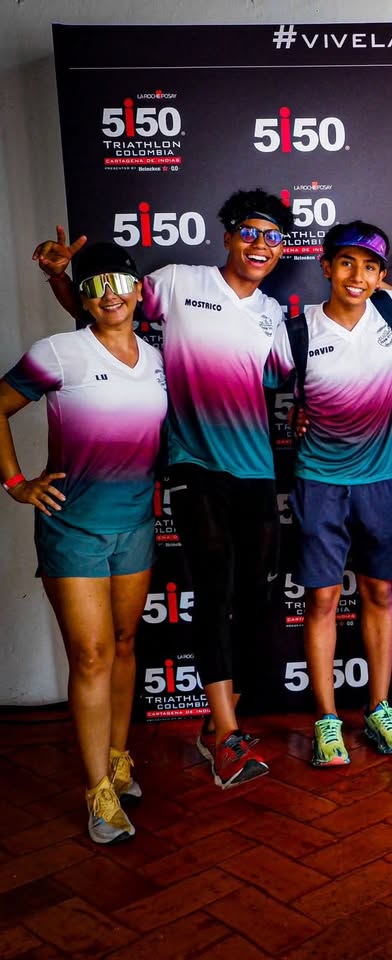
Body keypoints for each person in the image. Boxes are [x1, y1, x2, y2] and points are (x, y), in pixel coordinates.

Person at [34, 188, 293, 789]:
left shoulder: (273, 316)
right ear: (227, 236)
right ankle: (224, 731)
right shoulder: (178, 281)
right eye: (248, 231)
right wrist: (59, 279)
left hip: (255, 469)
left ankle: (217, 726)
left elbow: (282, 382)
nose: (259, 244)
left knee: (254, 597)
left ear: (282, 249)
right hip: (194, 464)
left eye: (272, 236)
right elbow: (106, 305)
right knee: (212, 587)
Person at [1, 243, 167, 842]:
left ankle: (119, 761)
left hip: (136, 528)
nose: (110, 294)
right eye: (96, 285)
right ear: (87, 295)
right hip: (72, 529)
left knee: (123, 645)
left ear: (140, 291)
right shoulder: (59, 353)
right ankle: (98, 790)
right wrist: (17, 484)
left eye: (121, 282)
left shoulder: (157, 360)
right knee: (91, 655)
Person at [265, 221, 392, 766]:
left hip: (381, 480)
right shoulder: (297, 332)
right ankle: (326, 719)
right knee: (322, 599)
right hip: (320, 483)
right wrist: (295, 413)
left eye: (371, 266)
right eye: (346, 263)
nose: (358, 275)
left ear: (381, 276)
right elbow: (259, 386)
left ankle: (378, 708)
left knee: (379, 594)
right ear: (326, 267)